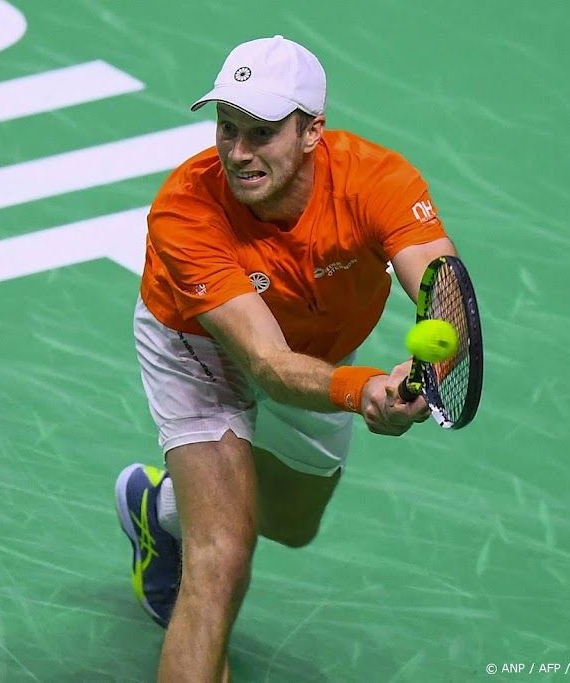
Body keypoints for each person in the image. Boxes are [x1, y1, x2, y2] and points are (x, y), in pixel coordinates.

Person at [114, 35, 456, 681]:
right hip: (200, 347)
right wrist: (365, 390)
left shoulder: (376, 179)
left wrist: (427, 366)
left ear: (311, 131)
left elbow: (444, 288)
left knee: (291, 523)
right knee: (222, 556)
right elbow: (266, 363)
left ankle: (158, 510)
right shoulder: (186, 208)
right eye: (227, 128)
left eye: (263, 133)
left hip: (320, 346)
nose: (238, 153)